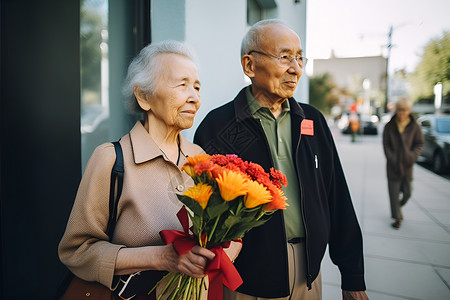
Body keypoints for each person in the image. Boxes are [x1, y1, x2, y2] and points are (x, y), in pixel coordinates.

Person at [194, 19, 368, 300]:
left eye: (300, 58)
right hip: (245, 277)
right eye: (285, 56)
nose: (295, 68)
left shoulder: (312, 120)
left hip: (308, 273)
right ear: (249, 65)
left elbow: (337, 198)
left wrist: (353, 275)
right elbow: (202, 211)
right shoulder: (219, 126)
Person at [58, 40, 241, 299]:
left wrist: (224, 249)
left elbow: (218, 235)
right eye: (182, 84)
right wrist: (162, 258)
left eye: (197, 87)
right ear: (144, 97)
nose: (195, 97)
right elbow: (77, 252)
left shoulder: (201, 158)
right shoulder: (111, 159)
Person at [382, 97, 424, 229]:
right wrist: (391, 157)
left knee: (407, 193)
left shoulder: (414, 126)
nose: (402, 113)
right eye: (399, 110)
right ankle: (397, 218)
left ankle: (397, 208)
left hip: (407, 165)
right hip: (393, 165)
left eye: (404, 110)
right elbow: (386, 144)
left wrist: (412, 156)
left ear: (409, 111)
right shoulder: (390, 125)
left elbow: (419, 143)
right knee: (394, 194)